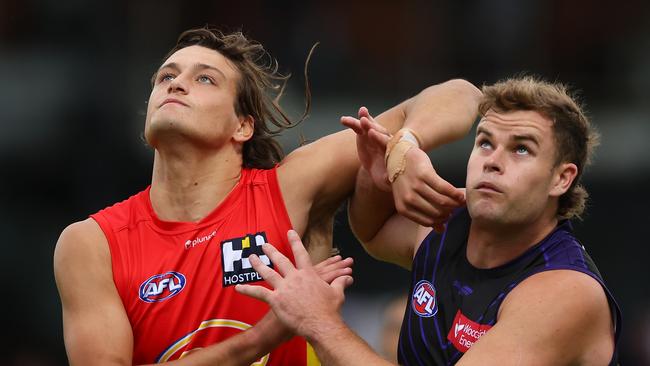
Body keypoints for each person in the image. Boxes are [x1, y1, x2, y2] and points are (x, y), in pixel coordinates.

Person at [53, 26, 482, 365]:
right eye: (166, 76)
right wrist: (267, 335)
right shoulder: (92, 243)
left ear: (243, 126)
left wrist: (403, 148)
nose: (176, 85)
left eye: (204, 78)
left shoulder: (290, 189)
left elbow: (464, 94)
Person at [236, 76, 622, 365]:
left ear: (562, 178)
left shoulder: (566, 291)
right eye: (485, 142)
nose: (492, 159)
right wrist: (379, 175)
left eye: (521, 149)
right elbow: (374, 231)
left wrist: (317, 320)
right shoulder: (449, 225)